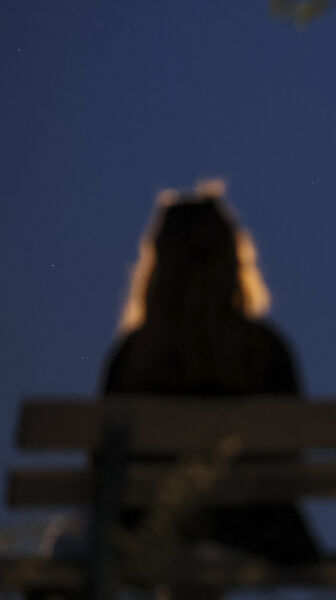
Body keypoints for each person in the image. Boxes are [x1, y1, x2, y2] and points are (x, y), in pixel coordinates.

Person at [32, 181, 318, 599]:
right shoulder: (265, 350)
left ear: (158, 262)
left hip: (145, 532)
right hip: (255, 537)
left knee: (68, 545)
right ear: (232, 259)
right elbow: (291, 457)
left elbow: (101, 464)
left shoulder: (134, 355)